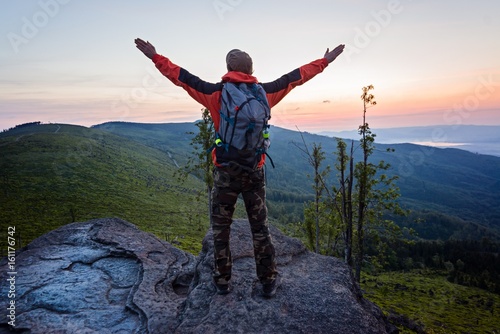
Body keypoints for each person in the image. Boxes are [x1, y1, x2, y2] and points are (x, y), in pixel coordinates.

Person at [135, 38, 345, 297]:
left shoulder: (216, 94)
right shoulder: (264, 93)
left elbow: (181, 77)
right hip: (254, 172)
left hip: (226, 174)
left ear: (228, 68)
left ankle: (222, 281)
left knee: (221, 229)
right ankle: (268, 280)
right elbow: (295, 77)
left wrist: (155, 57)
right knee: (260, 227)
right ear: (251, 70)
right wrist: (324, 61)